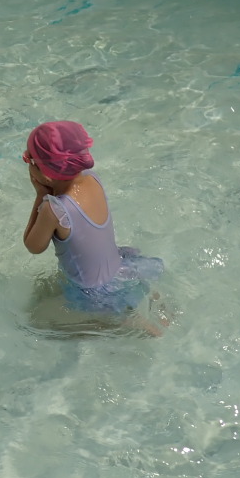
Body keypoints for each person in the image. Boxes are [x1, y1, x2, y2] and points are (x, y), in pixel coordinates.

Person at [22, 121, 165, 335]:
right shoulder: (93, 179)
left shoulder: (54, 209)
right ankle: (154, 311)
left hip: (91, 292)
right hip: (119, 269)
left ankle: (121, 326)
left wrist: (41, 194)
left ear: (43, 170)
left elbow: (33, 246)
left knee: (37, 325)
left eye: (28, 159)